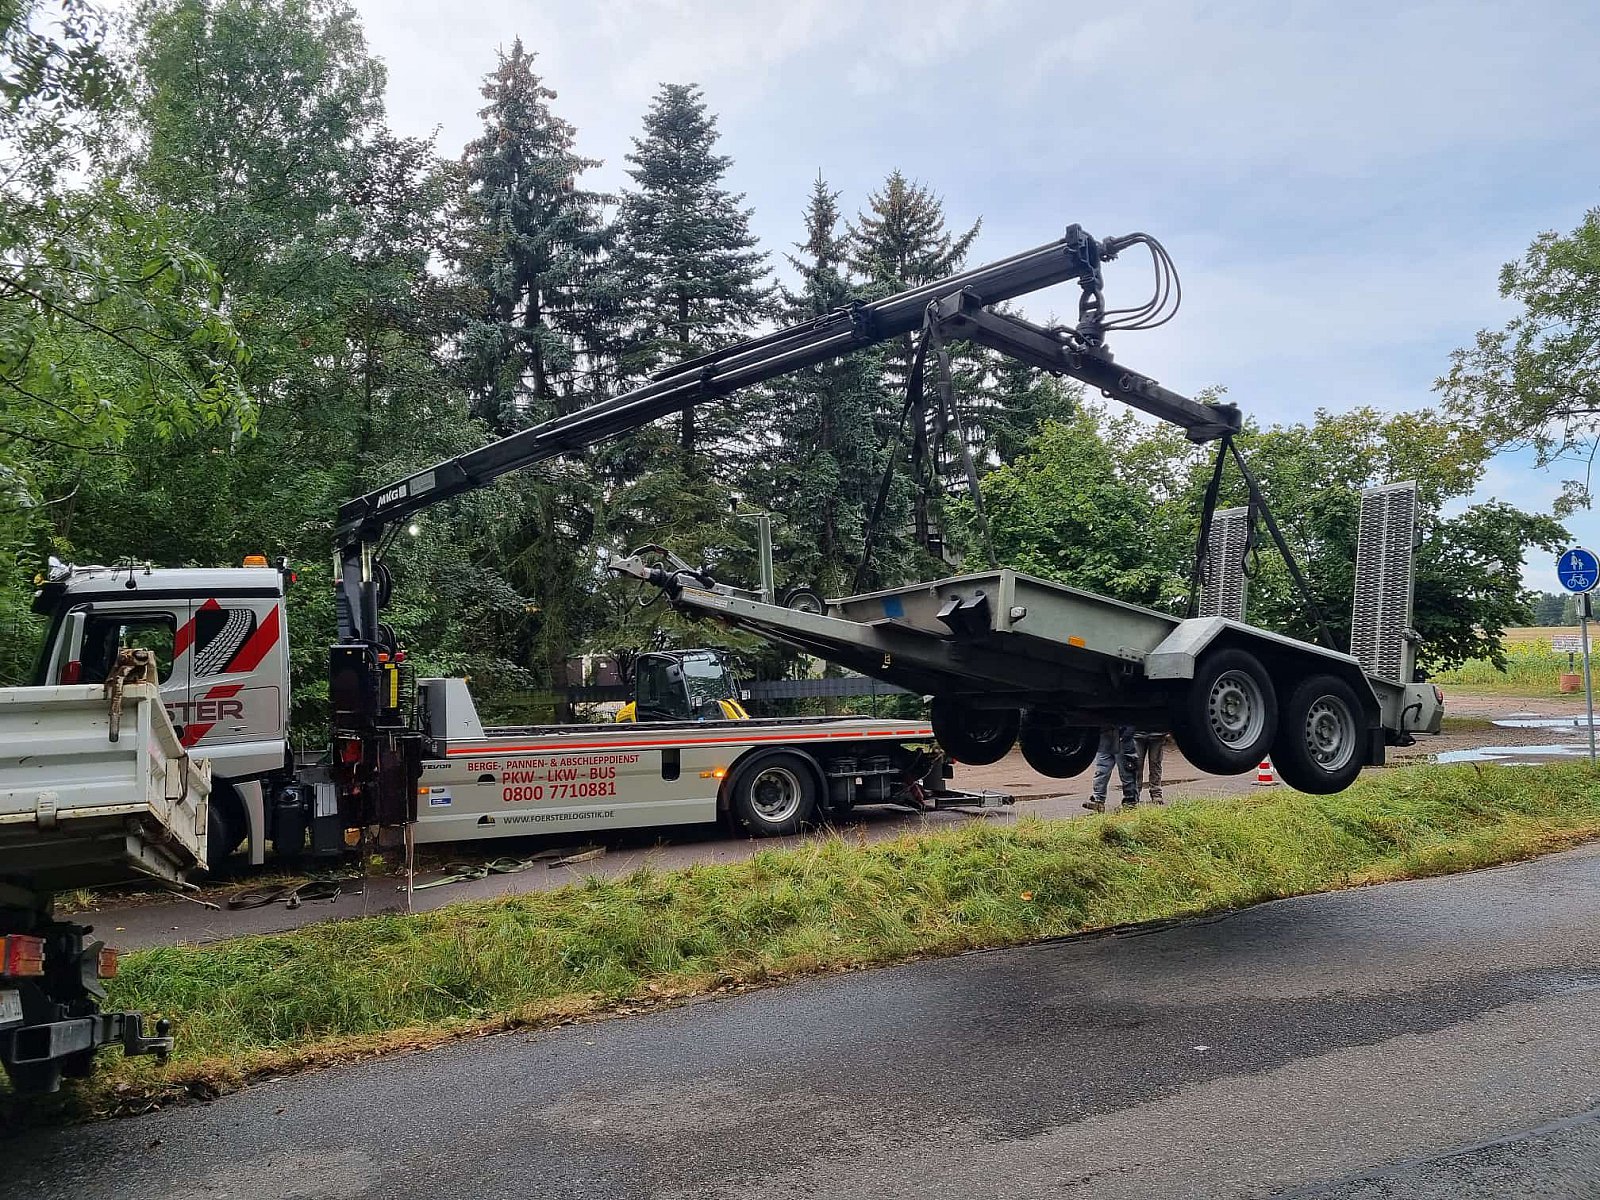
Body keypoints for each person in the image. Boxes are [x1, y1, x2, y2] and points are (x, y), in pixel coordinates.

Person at [1084, 724, 1137, 812]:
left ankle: (1130, 801)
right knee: (1102, 769)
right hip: (1105, 734)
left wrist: (1127, 734)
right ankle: (1098, 800)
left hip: (1122, 734)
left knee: (1126, 771)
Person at [1134, 730, 1168, 805]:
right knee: (1137, 765)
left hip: (1157, 733)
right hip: (1137, 733)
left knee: (1155, 764)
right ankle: (1134, 794)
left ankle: (1156, 793)